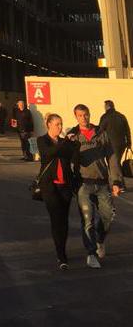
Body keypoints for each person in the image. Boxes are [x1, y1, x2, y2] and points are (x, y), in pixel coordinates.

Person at [67, 104, 122, 269]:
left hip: (102, 183)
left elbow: (112, 158)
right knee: (87, 220)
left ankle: (99, 241)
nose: (84, 118)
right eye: (80, 116)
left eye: (86, 115)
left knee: (108, 216)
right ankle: (91, 254)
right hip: (83, 184)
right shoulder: (74, 136)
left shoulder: (101, 134)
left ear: (90, 115)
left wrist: (116, 181)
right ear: (75, 117)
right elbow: (66, 160)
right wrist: (68, 144)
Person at [37, 113, 80, 270]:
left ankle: (62, 249)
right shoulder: (42, 140)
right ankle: (61, 255)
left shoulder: (64, 142)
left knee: (64, 220)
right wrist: (65, 142)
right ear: (48, 124)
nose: (60, 127)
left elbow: (74, 157)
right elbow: (49, 153)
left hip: (65, 186)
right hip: (50, 186)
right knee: (56, 219)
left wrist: (75, 144)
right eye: (57, 124)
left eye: (61, 124)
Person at [99, 100, 131, 189]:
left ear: (107, 107)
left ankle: (119, 185)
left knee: (114, 164)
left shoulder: (105, 117)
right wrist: (129, 142)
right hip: (122, 144)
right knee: (116, 163)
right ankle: (119, 184)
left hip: (111, 145)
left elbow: (100, 130)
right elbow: (127, 130)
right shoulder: (121, 116)